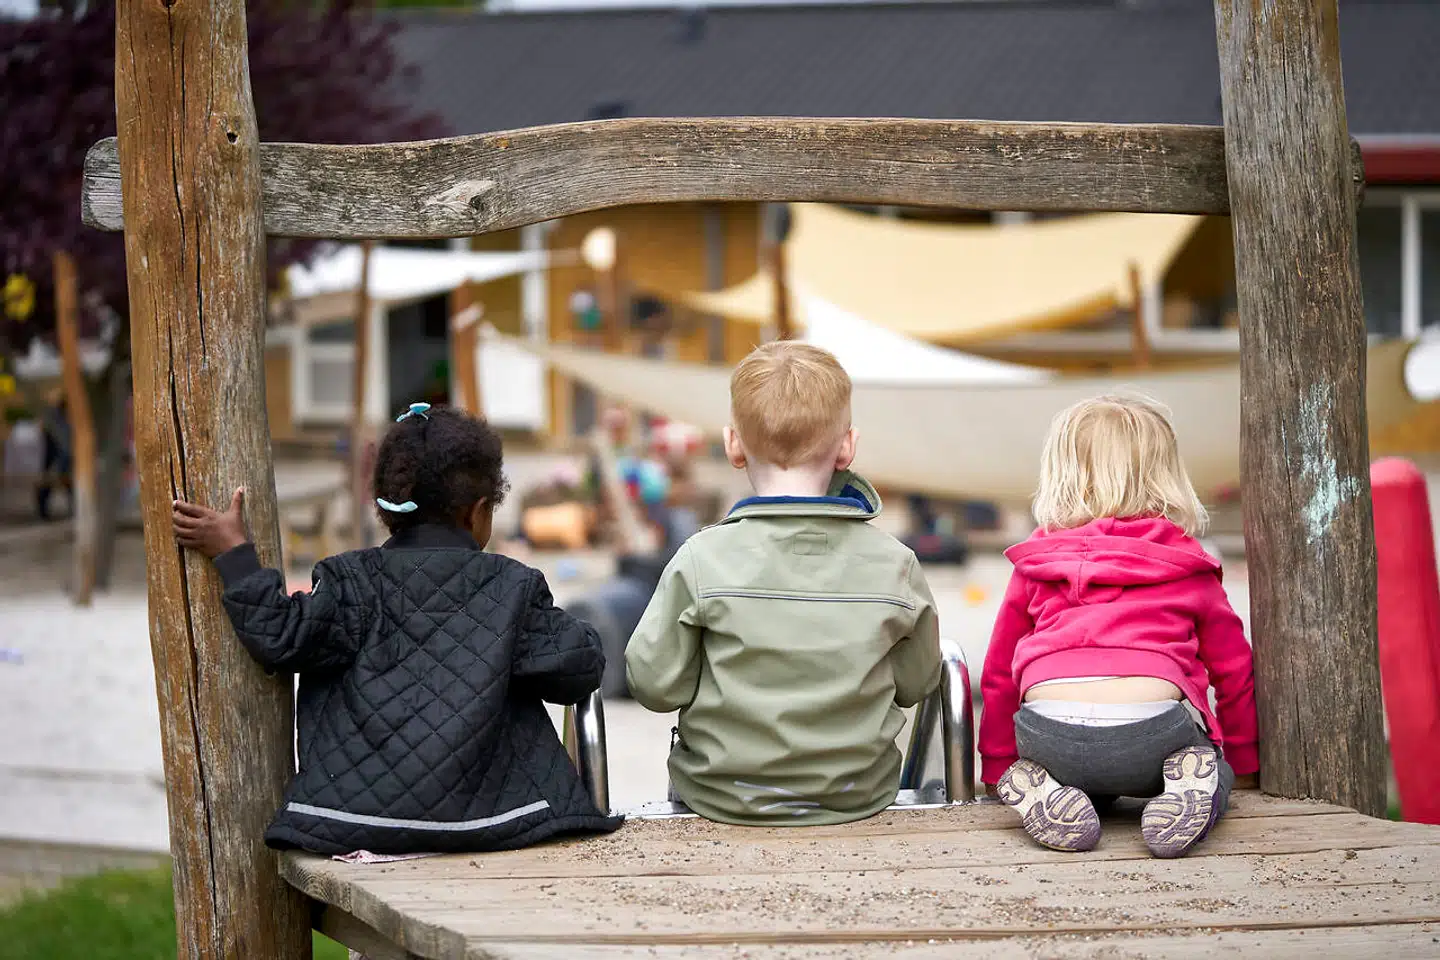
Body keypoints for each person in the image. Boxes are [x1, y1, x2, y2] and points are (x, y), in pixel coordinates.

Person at [171, 402, 622, 855]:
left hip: (349, 817)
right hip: (498, 822)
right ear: (478, 511)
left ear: (388, 510)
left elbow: (279, 636)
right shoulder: (512, 587)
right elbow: (578, 671)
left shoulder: (350, 581)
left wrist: (234, 555)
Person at [625, 342, 942, 826]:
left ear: (733, 444)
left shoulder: (700, 559)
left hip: (725, 799)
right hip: (857, 796)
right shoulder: (895, 564)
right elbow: (917, 683)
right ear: (847, 446)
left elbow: (653, 685)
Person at [979, 395, 1258, 859]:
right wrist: (1246, 763)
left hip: (1048, 734)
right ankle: (1190, 788)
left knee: (1082, 772)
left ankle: (1041, 789)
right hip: (1150, 734)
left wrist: (996, 763)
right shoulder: (1187, 563)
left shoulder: (1036, 561)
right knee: (1210, 765)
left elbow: (997, 674)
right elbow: (1235, 672)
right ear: (1166, 475)